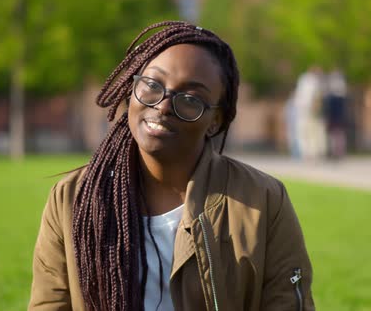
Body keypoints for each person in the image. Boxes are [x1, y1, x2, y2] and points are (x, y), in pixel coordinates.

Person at [28, 21, 315, 311]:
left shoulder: (262, 200)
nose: (163, 106)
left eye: (190, 98)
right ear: (132, 87)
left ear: (216, 120)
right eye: (152, 85)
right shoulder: (72, 199)